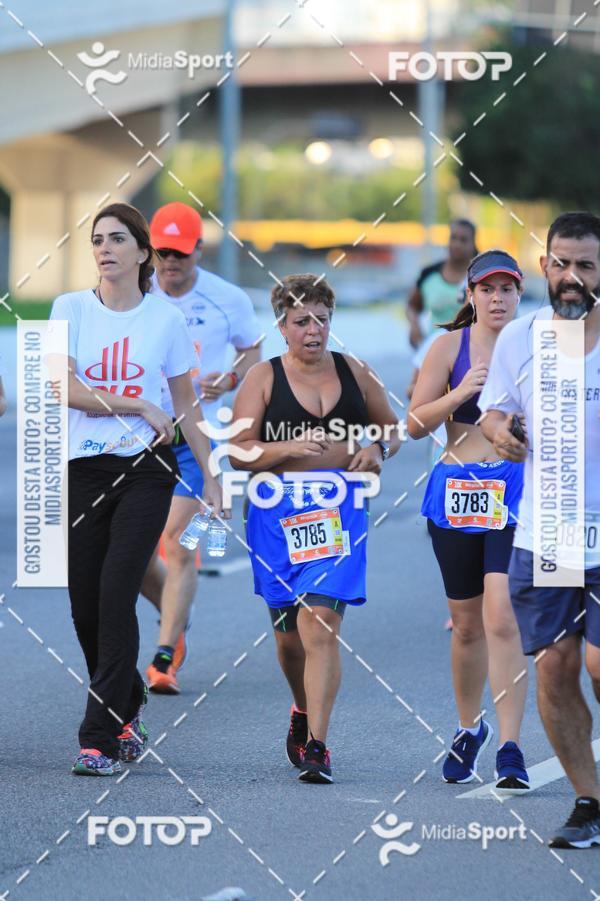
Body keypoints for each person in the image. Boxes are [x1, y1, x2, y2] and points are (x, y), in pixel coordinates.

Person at [48, 202, 227, 776]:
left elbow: (187, 405)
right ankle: (127, 698)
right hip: (84, 469)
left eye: (117, 239)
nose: (104, 248)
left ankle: (98, 737)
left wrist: (214, 476)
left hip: (147, 469)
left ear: (142, 252)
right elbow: (62, 387)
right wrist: (137, 404)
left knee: (117, 588)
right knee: (84, 607)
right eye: (97, 239)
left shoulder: (165, 320)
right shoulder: (69, 308)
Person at [229, 274, 401, 783]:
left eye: (322, 320)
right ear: (282, 327)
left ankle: (319, 746)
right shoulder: (263, 377)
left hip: (338, 512)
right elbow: (238, 452)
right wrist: (286, 448)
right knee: (289, 639)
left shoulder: (355, 371)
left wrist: (378, 449)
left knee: (321, 621)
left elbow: (393, 427)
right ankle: (301, 707)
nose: (314, 330)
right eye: (301, 321)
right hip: (277, 512)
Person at [479, 212, 600, 847]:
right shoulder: (519, 337)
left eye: (586, 265)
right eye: (561, 263)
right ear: (545, 266)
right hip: (546, 532)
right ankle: (589, 802)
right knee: (554, 667)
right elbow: (494, 412)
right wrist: (501, 433)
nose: (571, 277)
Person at [409, 250, 529, 790]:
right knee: (466, 625)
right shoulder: (448, 347)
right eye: (487, 289)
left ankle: (511, 747)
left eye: (507, 289)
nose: (497, 298)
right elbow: (414, 423)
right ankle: (469, 727)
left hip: (513, 491)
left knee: (501, 615)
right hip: (456, 491)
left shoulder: (536, 346)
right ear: (471, 295)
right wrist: (461, 392)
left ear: (520, 294)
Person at [139, 202, 261, 694]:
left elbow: (253, 350)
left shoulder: (227, 299)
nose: (170, 263)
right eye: (162, 253)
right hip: (138, 434)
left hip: (197, 435)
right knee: (133, 551)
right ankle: (175, 610)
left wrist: (230, 377)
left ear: (198, 251)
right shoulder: (135, 293)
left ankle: (164, 656)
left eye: (180, 253)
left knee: (179, 543)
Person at [407, 219, 477, 350]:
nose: (457, 244)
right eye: (453, 238)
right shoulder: (429, 274)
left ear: (473, 244)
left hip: (471, 352)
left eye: (463, 240)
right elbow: (412, 306)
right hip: (434, 350)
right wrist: (414, 325)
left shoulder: (482, 278)